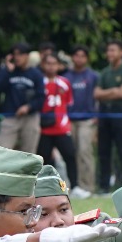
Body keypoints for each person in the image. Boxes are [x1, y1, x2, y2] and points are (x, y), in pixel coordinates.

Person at [94, 40, 122, 192]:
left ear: (121, 53)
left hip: (120, 114)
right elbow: (97, 94)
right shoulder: (105, 72)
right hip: (104, 114)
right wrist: (114, 92)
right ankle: (104, 186)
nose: (110, 54)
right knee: (103, 151)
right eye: (109, 50)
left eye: (113, 50)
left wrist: (107, 93)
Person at [37, 52, 79, 194]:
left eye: (54, 64)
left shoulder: (64, 83)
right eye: (48, 63)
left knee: (70, 155)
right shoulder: (39, 82)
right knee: (44, 160)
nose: (51, 67)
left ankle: (75, 186)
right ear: (43, 65)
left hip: (61, 127)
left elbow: (69, 104)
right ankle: (45, 189)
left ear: (59, 65)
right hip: (44, 129)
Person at [0, 43, 44, 155]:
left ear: (27, 56)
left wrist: (28, 107)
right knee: (1, 152)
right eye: (14, 54)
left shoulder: (36, 74)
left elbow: (41, 98)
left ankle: (26, 173)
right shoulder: (8, 71)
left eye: (20, 54)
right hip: (10, 116)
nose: (17, 57)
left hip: (30, 117)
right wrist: (7, 70)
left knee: (29, 154)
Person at [65, 46, 99, 198]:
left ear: (86, 58)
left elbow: (98, 98)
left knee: (85, 152)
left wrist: (96, 117)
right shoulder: (66, 77)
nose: (79, 58)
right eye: (76, 55)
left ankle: (88, 187)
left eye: (82, 56)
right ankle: (75, 186)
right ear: (72, 57)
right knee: (71, 153)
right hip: (69, 119)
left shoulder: (93, 76)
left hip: (87, 119)